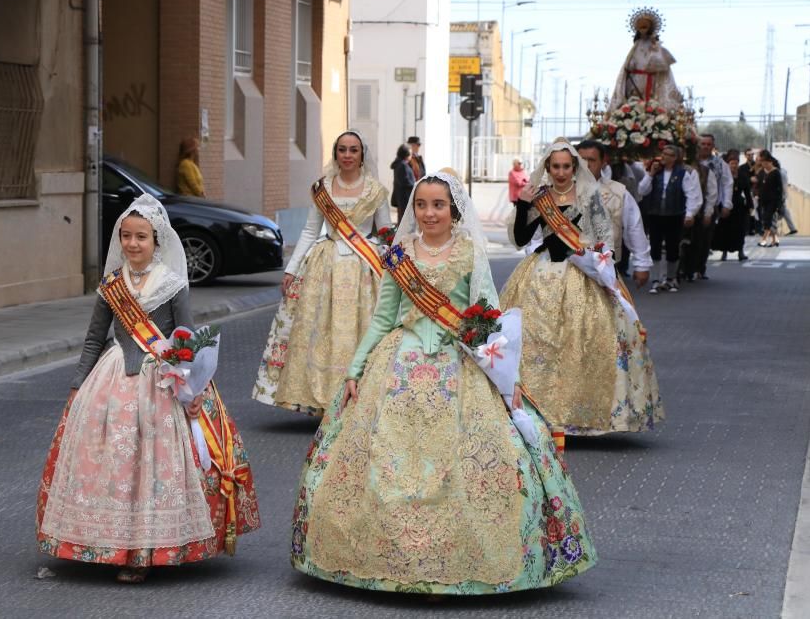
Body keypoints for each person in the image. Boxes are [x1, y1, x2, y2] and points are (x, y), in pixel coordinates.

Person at [291, 171, 597, 594]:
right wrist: (354, 370)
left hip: (461, 365)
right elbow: (382, 319)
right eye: (421, 205)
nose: (429, 212)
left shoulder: (470, 252)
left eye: (438, 205)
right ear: (412, 210)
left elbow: (488, 308)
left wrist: (508, 376)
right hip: (398, 367)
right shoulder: (399, 255)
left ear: (454, 210)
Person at [37, 193, 260, 583]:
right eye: (126, 236)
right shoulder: (111, 286)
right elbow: (94, 339)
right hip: (113, 376)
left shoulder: (172, 284)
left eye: (141, 237)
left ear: (157, 241)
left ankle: (144, 552)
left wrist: (190, 387)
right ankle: (108, 541)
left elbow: (186, 334)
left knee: (154, 467)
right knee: (112, 463)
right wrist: (77, 385)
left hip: (163, 380)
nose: (133, 244)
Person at [500, 140, 661, 435]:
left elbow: (603, 240)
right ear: (547, 167)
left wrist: (593, 258)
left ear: (574, 167)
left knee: (583, 341)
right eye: (555, 166)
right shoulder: (539, 197)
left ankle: (579, 414)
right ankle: (539, 412)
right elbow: (522, 238)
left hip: (582, 275)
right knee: (538, 342)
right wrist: (524, 203)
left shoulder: (589, 196)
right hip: (541, 275)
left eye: (566, 166)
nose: (561, 172)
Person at [252, 130, 391, 416]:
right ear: (335, 154)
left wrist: (395, 265)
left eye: (354, 150)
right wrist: (291, 269)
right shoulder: (321, 188)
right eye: (343, 150)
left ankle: (361, 400)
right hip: (325, 266)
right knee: (320, 332)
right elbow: (309, 231)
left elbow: (387, 232)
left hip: (364, 269)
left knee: (361, 329)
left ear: (362, 154)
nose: (348, 155)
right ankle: (324, 399)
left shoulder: (376, 190)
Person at [577, 140, 651, 286]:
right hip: (568, 266)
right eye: (581, 160)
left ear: (603, 161)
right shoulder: (561, 190)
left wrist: (642, 264)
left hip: (607, 268)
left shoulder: (618, 192)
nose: (586, 165)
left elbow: (634, 227)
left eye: (591, 160)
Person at [638, 145, 702, 293]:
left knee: (673, 247)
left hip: (675, 215)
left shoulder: (682, 173)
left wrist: (689, 214)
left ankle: (671, 279)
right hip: (655, 215)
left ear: (675, 158)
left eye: (669, 155)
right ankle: (655, 279)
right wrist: (651, 174)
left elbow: (691, 194)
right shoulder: (654, 172)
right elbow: (642, 190)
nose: (665, 157)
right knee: (654, 246)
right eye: (664, 153)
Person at [609, 7, 683, 111]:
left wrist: (655, 50)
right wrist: (630, 65)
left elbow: (661, 63)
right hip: (635, 79)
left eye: (645, 26)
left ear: (650, 27)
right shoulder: (636, 46)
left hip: (651, 80)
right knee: (635, 102)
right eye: (640, 26)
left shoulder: (655, 45)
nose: (643, 29)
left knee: (652, 103)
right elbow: (628, 63)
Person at [678, 154, 719, 282]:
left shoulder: (706, 172)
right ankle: (679, 270)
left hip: (698, 213)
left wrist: (708, 213)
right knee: (680, 243)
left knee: (696, 243)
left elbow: (711, 194)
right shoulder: (678, 170)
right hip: (679, 212)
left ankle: (693, 269)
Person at [712, 149, 753, 261]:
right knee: (725, 230)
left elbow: (747, 192)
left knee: (740, 231)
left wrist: (750, 206)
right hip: (725, 205)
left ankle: (741, 252)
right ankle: (724, 252)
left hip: (739, 207)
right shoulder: (724, 176)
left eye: (736, 163)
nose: (734, 166)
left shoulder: (743, 176)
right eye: (732, 163)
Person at [758, 150, 784, 248]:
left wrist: (779, 203)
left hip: (773, 201)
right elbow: (759, 184)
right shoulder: (762, 172)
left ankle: (764, 239)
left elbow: (780, 189)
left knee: (767, 218)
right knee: (767, 219)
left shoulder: (776, 172)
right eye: (761, 161)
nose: (763, 163)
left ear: (769, 161)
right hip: (763, 200)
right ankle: (775, 239)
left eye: (764, 161)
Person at [390, 143, 416, 223]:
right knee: (405, 223)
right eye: (410, 153)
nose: (411, 155)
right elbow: (405, 182)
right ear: (406, 154)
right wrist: (416, 185)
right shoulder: (402, 165)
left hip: (402, 199)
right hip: (405, 199)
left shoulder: (400, 164)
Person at [779, 166, 800, 235]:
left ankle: (792, 228)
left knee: (783, 211)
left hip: (780, 195)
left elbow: (782, 186)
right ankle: (792, 228)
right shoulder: (783, 172)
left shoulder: (780, 173)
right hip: (783, 195)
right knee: (785, 212)